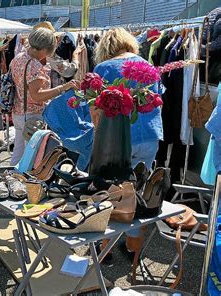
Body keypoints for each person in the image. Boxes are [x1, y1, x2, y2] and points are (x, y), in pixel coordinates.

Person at [93, 27, 163, 258]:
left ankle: (105, 250)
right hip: (150, 134)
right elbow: (158, 99)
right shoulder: (148, 65)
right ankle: (133, 246)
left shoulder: (103, 68)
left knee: (111, 191)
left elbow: (96, 109)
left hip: (119, 138)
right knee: (140, 192)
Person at [9, 28, 79, 166]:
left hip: (18, 112)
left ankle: (12, 180)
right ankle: (26, 184)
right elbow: (37, 96)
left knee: (18, 153)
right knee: (32, 158)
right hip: (32, 115)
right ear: (46, 48)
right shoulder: (34, 65)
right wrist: (62, 88)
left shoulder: (19, 57)